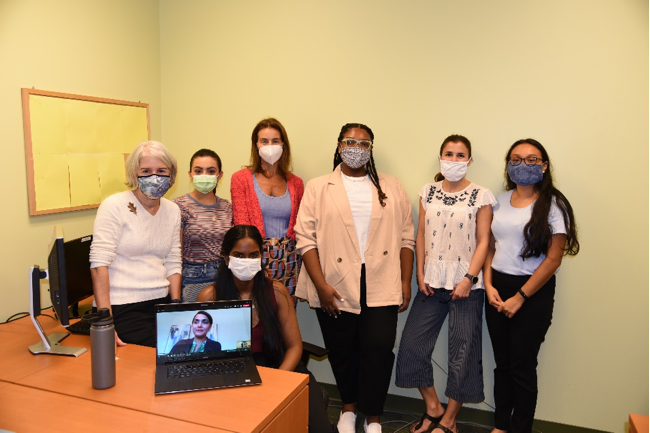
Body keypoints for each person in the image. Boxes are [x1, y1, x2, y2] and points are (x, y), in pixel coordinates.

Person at [295, 123, 415, 433]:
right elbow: (305, 239)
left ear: (371, 149)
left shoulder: (392, 185)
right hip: (333, 280)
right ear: (338, 146)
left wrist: (405, 281)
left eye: (364, 143)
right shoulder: (319, 186)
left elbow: (406, 238)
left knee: (378, 347)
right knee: (342, 347)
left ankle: (373, 415)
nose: (356, 148)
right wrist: (320, 285)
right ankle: (348, 408)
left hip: (381, 278)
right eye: (350, 141)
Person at [395, 135, 496, 433]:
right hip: (431, 283)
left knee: (462, 355)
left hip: (467, 286)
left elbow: (484, 241)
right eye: (448, 154)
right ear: (440, 158)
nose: (453, 160)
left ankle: (449, 421)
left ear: (470, 160)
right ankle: (433, 407)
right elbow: (421, 235)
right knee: (412, 347)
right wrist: (419, 274)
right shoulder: (427, 192)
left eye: (460, 154)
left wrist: (469, 278)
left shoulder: (481, 195)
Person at [197, 225, 333, 433]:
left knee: (319, 429)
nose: (246, 260)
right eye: (238, 255)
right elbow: (202, 353)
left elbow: (295, 346)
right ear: (226, 258)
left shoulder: (277, 292)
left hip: (280, 369)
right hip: (233, 375)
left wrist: (276, 380)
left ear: (261, 257)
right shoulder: (210, 297)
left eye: (253, 255)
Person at [483, 139, 580, 433]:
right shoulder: (498, 199)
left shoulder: (553, 205)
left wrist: (521, 297)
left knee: (522, 368)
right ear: (508, 165)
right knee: (502, 366)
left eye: (531, 159)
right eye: (516, 159)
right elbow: (489, 246)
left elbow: (553, 260)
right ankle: (500, 426)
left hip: (532, 292)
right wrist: (487, 285)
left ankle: (520, 428)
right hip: (497, 287)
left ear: (544, 166)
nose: (522, 165)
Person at [90, 140, 181, 348]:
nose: (154, 177)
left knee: (185, 350)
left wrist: (175, 306)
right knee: (159, 354)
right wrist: (105, 321)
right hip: (122, 305)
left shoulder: (172, 210)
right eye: (146, 171)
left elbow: (173, 260)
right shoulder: (114, 205)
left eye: (161, 171)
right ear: (134, 174)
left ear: (172, 175)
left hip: (162, 301)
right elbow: (98, 264)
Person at [230, 118, 304, 296]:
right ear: (256, 145)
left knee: (285, 315)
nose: (270, 145)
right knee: (259, 313)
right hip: (254, 256)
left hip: (289, 257)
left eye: (275, 141)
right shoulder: (241, 179)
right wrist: (255, 260)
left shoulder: (296, 183)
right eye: (264, 141)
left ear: (283, 145)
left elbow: (301, 227)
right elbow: (242, 225)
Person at [174, 149, 233, 302]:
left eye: (211, 171)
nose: (204, 175)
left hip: (224, 277)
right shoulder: (179, 206)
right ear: (190, 174)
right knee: (197, 323)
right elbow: (175, 254)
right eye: (198, 171)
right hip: (192, 279)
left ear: (219, 175)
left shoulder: (227, 207)